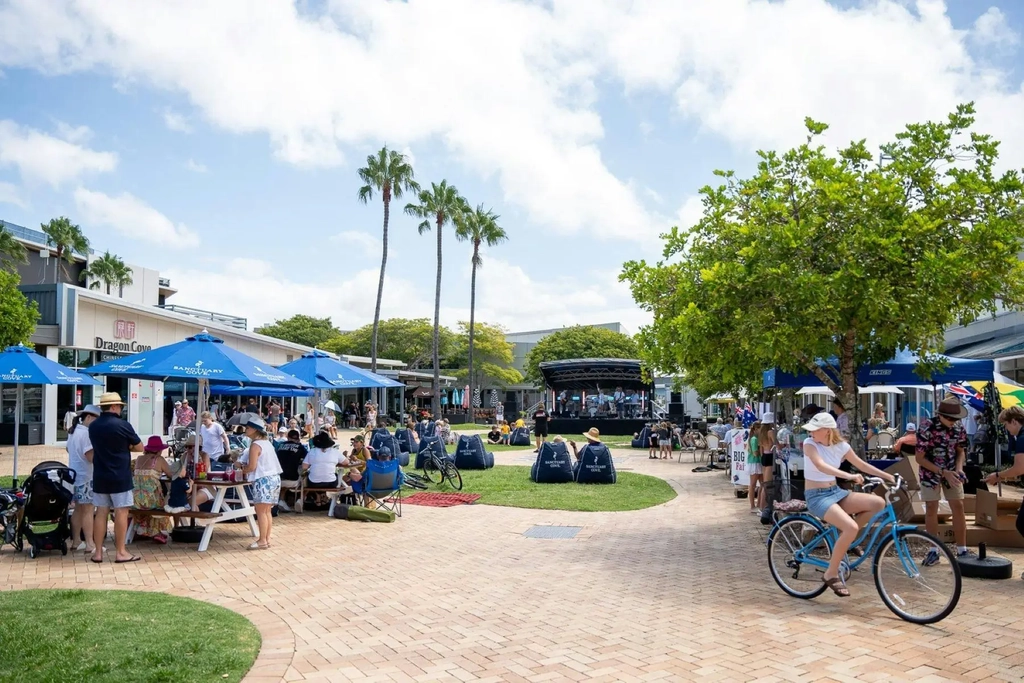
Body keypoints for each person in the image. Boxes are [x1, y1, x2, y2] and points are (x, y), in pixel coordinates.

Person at [801, 412, 896, 597]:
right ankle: (830, 574)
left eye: (815, 429)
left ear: (827, 431)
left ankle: (846, 539)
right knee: (851, 527)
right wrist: (849, 476)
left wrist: (888, 476)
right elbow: (821, 466)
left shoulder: (841, 446)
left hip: (836, 492)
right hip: (817, 497)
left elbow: (862, 465)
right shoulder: (809, 444)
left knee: (878, 503)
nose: (811, 433)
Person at [88, 392, 144, 564]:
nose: (120, 409)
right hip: (120, 475)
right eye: (119, 406)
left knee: (101, 512)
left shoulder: (93, 426)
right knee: (121, 511)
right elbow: (140, 447)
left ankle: (98, 552)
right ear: (113, 407)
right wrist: (127, 446)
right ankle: (121, 552)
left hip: (100, 474)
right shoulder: (123, 425)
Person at [916, 397, 973, 563]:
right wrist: (942, 472)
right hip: (930, 473)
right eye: (949, 418)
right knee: (931, 507)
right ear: (940, 415)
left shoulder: (958, 428)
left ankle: (962, 550)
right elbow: (919, 458)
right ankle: (933, 550)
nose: (952, 421)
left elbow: (960, 451)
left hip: (952, 472)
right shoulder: (927, 427)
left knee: (958, 505)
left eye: (955, 418)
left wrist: (959, 469)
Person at [233, 416, 282, 550]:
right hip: (274, 478)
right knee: (266, 511)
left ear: (255, 429)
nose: (246, 430)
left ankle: (262, 540)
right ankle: (266, 539)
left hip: (263, 479)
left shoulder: (255, 445)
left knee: (261, 511)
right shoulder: (267, 443)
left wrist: (241, 468)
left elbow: (252, 467)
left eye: (248, 428)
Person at [983, 407, 1024, 554]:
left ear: (1014, 421)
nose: (1006, 429)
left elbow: (1019, 468)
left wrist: (998, 475)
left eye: (1006, 424)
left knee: (1022, 523)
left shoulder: (1022, 439)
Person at [67, 404, 100, 553]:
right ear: (89, 417)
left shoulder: (73, 431)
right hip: (86, 477)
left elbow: (69, 449)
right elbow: (90, 457)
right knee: (88, 510)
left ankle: (76, 541)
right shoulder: (86, 434)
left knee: (78, 509)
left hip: (74, 476)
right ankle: (90, 544)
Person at [131, 436, 175, 544]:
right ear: (159, 450)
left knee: (154, 500)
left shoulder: (139, 459)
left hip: (134, 499)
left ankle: (149, 531)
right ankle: (158, 532)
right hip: (150, 500)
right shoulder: (159, 459)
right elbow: (171, 474)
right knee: (162, 503)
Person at [275, 429, 308, 512]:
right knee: (307, 477)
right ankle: (301, 500)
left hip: (278, 479)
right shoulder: (300, 447)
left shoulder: (280, 445)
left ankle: (282, 500)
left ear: (287, 437)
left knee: (285, 474)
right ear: (298, 438)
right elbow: (308, 459)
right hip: (293, 480)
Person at [746, 421, 763, 514]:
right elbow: (755, 453)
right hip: (754, 462)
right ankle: (752, 505)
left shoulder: (756, 438)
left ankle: (759, 504)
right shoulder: (754, 439)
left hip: (758, 462)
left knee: (762, 484)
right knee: (753, 485)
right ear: (756, 429)